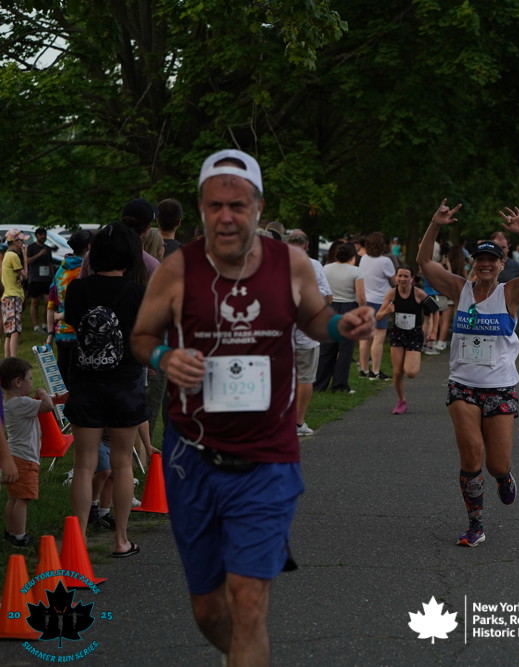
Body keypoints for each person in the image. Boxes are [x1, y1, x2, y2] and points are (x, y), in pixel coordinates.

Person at [130, 149, 375, 664]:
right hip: (192, 457)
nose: (226, 217)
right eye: (215, 205)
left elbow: (315, 319)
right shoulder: (177, 269)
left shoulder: (291, 264)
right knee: (208, 610)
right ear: (201, 209)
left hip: (267, 458)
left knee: (248, 603)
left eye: (238, 205)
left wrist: (341, 326)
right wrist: (163, 357)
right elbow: (142, 336)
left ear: (258, 208)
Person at [417, 199, 519, 547]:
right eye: (481, 259)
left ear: (502, 264)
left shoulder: (510, 293)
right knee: (471, 455)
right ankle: (475, 524)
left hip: (500, 388)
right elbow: (424, 262)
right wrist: (435, 224)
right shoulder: (459, 289)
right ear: (474, 263)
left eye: (493, 259)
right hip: (463, 387)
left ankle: (504, 478)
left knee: (496, 465)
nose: (486, 264)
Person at [63, 221, 147, 558]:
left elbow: (72, 324)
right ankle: (121, 540)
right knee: (122, 462)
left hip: (85, 382)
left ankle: (78, 541)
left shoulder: (77, 289)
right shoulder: (138, 293)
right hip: (125, 384)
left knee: (84, 464)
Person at [1, 356, 63, 547]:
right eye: (29, 379)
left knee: (13, 498)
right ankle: (20, 536)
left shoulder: (9, 403)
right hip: (25, 459)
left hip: (14, 456)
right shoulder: (21, 403)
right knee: (24, 499)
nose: (31, 383)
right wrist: (43, 393)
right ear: (17, 382)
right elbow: (47, 406)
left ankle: (11, 532)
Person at [287, 230, 332, 436]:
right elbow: (328, 297)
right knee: (305, 377)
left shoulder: (276, 263)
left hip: (282, 330)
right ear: (306, 246)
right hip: (307, 330)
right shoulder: (313, 265)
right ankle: (298, 423)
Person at [376, 265, 434, 415]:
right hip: (397, 334)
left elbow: (435, 310)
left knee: (411, 372)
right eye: (400, 276)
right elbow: (378, 316)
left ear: (412, 278)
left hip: (414, 334)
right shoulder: (391, 294)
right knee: (397, 372)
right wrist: (387, 311)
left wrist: (433, 331)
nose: (402, 279)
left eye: (406, 276)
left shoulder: (419, 293)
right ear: (396, 277)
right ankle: (401, 401)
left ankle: (412, 363)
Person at [315, 242, 365, 393]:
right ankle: (340, 385)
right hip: (348, 308)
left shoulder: (326, 268)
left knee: (326, 349)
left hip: (330, 308)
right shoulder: (356, 271)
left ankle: (319, 384)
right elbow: (361, 297)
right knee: (345, 350)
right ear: (352, 256)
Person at [46, 230, 92, 383]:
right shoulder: (87, 272)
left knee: (64, 381)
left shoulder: (60, 271)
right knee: (80, 382)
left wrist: (50, 334)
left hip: (61, 335)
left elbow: (51, 304)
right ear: (88, 247)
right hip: (81, 335)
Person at [357, 231, 396, 380]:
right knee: (378, 337)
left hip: (365, 301)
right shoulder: (385, 261)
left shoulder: (363, 259)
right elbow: (394, 282)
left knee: (365, 338)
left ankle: (363, 370)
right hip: (380, 302)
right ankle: (375, 371)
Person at [2, 229, 29, 359]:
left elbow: (20, 276)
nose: (23, 242)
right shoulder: (13, 256)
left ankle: (8, 361)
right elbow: (25, 275)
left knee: (9, 333)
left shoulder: (7, 255)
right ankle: (13, 360)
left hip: (7, 297)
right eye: (21, 240)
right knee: (15, 331)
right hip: (13, 297)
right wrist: (24, 255)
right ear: (15, 241)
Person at [25, 228, 54, 333]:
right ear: (36, 235)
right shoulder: (31, 247)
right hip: (35, 279)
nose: (43, 236)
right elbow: (27, 261)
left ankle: (45, 324)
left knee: (48, 303)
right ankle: (36, 326)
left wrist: (53, 277)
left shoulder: (48, 249)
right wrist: (39, 254)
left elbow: (50, 263)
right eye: (41, 235)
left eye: (44, 234)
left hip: (46, 279)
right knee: (35, 302)